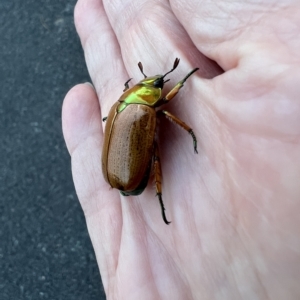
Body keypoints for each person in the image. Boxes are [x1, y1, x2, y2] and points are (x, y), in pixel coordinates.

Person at [62, 0, 300, 299]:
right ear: (145, 92)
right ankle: (160, 197)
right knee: (157, 153)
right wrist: (184, 91)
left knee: (156, 147)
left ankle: (159, 197)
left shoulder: (121, 105)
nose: (161, 86)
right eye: (157, 85)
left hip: (118, 172)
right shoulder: (145, 110)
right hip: (131, 175)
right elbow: (171, 114)